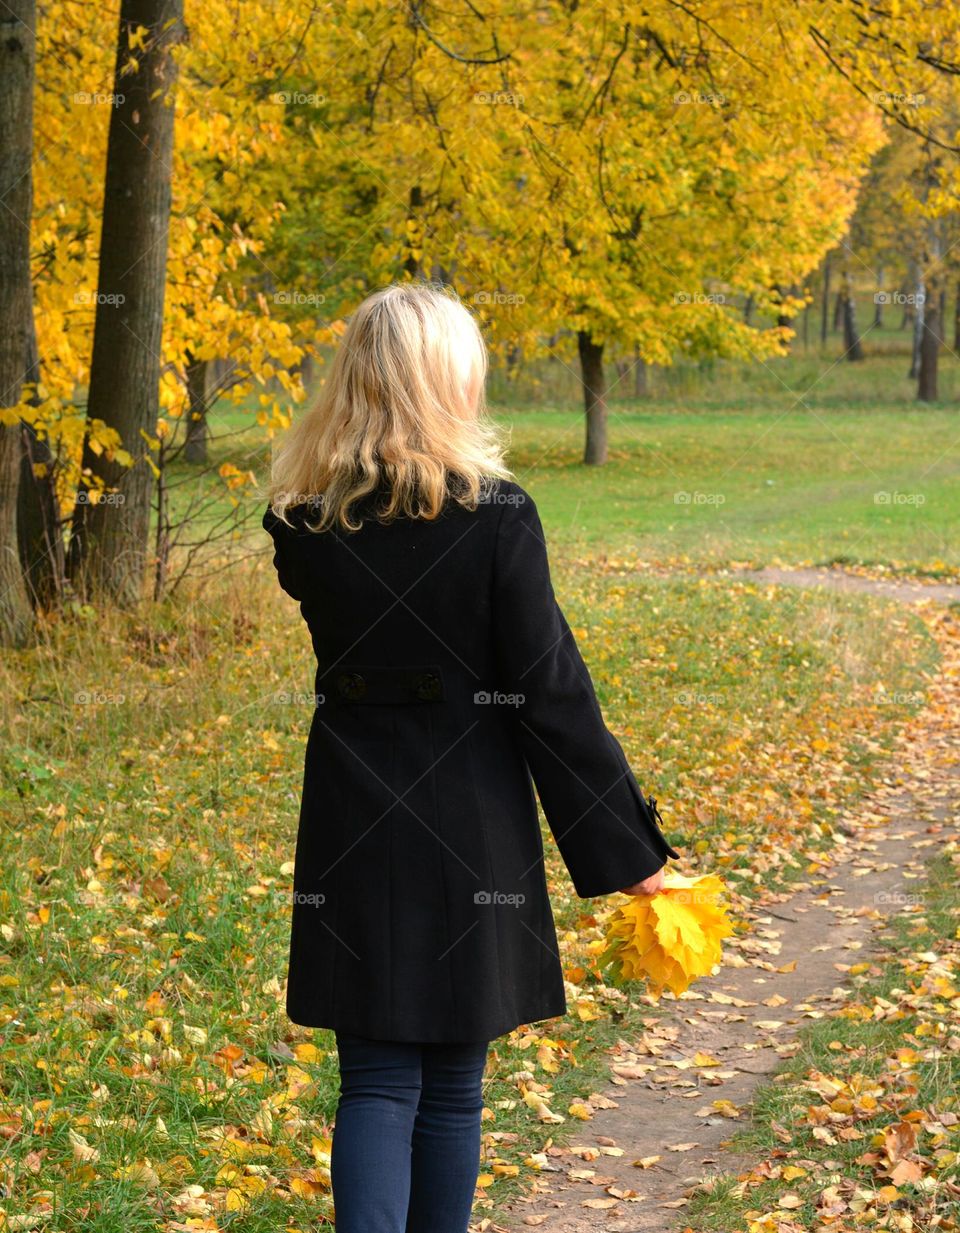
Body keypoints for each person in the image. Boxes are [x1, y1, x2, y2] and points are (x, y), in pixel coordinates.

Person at [262, 281, 681, 1233]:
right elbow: (550, 693)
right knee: (451, 1087)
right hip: (471, 823)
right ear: (445, 381)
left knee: (374, 1080)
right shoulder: (498, 518)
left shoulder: (304, 525)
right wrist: (633, 851)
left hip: (352, 817)